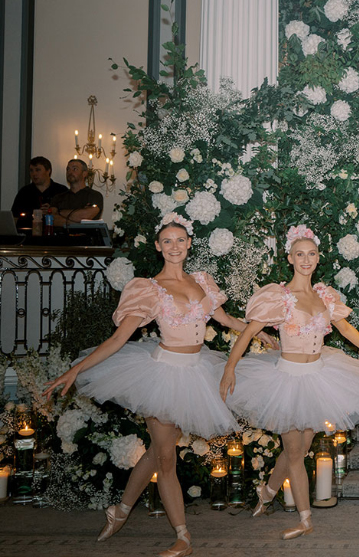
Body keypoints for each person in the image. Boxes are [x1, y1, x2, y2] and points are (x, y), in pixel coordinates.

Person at [42, 212, 276, 557]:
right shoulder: (149, 289)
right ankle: (183, 536)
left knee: (157, 451)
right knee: (166, 458)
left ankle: (119, 510)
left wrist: (260, 333)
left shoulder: (202, 282)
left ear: (189, 244)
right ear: (157, 246)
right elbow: (119, 339)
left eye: (180, 240)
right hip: (163, 375)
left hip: (197, 372)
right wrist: (75, 370)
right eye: (167, 241)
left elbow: (224, 319)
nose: (174, 246)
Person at [220, 225, 359, 540]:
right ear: (290, 258)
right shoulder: (279, 297)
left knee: (303, 446)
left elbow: (345, 329)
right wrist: (231, 366)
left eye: (311, 254)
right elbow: (247, 332)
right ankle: (305, 518)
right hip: (287, 379)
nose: (306, 259)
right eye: (300, 254)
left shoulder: (324, 295)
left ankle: (267, 492)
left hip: (318, 376)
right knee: (295, 453)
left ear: (317, 257)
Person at [10, 156, 68, 230]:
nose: (34, 174)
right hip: (28, 236)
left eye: (38, 170)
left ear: (48, 171)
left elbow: (69, 217)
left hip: (56, 235)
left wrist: (53, 212)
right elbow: (14, 218)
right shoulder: (24, 192)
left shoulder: (61, 191)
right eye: (31, 170)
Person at [49, 159, 104, 226]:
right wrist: (78, 224)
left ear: (84, 173)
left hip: (86, 236)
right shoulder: (58, 197)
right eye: (68, 169)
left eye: (74, 169)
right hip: (62, 236)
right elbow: (52, 220)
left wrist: (60, 212)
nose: (70, 172)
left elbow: (85, 215)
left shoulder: (94, 195)